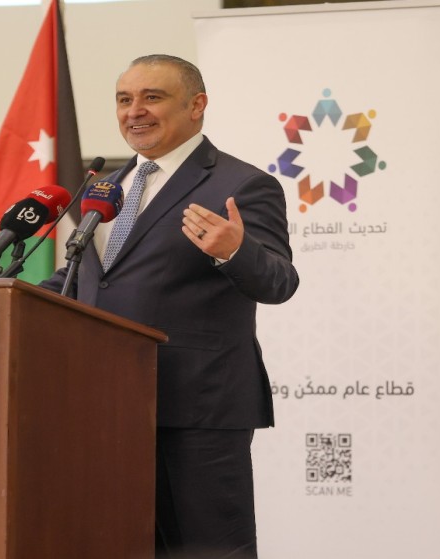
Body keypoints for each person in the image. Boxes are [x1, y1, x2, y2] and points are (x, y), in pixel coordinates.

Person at [40, 54, 299, 558]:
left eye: (152, 97)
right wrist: (1, 296)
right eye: (124, 99)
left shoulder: (241, 184)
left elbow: (279, 281)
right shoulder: (104, 189)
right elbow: (83, 281)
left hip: (197, 411)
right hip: (104, 407)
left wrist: (234, 250)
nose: (134, 111)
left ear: (196, 105)